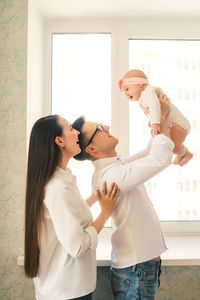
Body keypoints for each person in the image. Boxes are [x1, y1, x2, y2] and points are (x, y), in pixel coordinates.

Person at [72, 97, 174, 300]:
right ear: (91, 150)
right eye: (100, 128)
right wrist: (160, 120)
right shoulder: (110, 177)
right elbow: (159, 159)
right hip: (137, 269)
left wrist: (159, 117)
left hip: (138, 267)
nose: (107, 126)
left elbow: (148, 153)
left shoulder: (114, 168)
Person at [24, 115, 119, 300]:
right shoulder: (57, 188)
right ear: (59, 141)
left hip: (66, 288)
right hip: (66, 291)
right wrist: (105, 213)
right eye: (70, 129)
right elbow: (78, 246)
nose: (76, 133)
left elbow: (69, 217)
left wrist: (93, 199)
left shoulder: (61, 180)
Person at [118, 69, 193, 167]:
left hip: (178, 124)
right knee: (151, 149)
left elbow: (155, 105)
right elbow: (155, 110)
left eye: (127, 89)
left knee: (173, 147)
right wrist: (153, 120)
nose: (127, 94)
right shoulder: (144, 97)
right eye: (124, 94)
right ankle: (125, 162)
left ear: (139, 84)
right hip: (169, 125)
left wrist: (155, 123)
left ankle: (184, 153)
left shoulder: (147, 92)